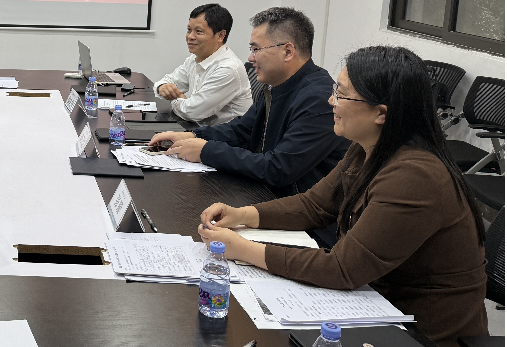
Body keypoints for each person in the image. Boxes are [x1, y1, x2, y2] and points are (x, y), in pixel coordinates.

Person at [196, 46, 488, 347]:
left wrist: (243, 249)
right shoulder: (366, 149)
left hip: (420, 332)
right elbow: (313, 206)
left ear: (381, 113)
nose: (331, 100)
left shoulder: (415, 176)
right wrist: (242, 215)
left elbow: (342, 268)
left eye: (343, 94)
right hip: (373, 304)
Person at [150, 6, 350, 198]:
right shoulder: (275, 86)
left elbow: (278, 168)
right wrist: (192, 135)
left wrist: (205, 151)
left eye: (256, 49)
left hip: (297, 211)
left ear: (288, 52)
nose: (250, 57)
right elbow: (241, 131)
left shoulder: (318, 99)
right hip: (265, 193)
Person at [153, 3, 252, 125]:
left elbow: (192, 112)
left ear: (220, 35)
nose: (190, 36)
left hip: (223, 135)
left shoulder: (228, 69)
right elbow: (169, 80)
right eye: (189, 30)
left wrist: (174, 99)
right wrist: (162, 87)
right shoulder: (195, 59)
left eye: (198, 32)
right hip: (201, 129)